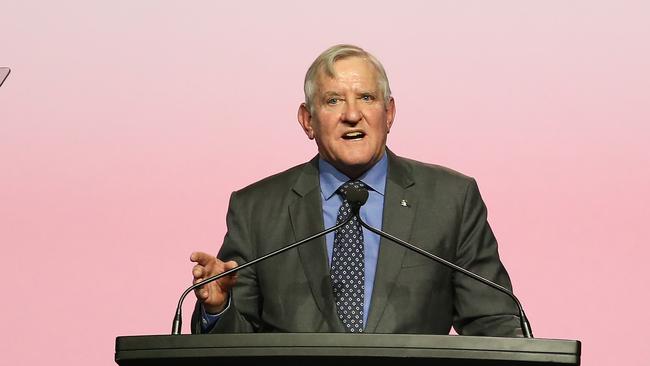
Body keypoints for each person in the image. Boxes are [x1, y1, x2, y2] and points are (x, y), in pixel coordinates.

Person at [189, 44, 522, 336]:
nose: (352, 115)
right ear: (307, 120)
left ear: (388, 113)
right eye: (333, 100)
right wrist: (219, 309)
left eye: (366, 97)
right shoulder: (256, 209)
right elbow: (235, 342)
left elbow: (494, 324)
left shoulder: (451, 200)